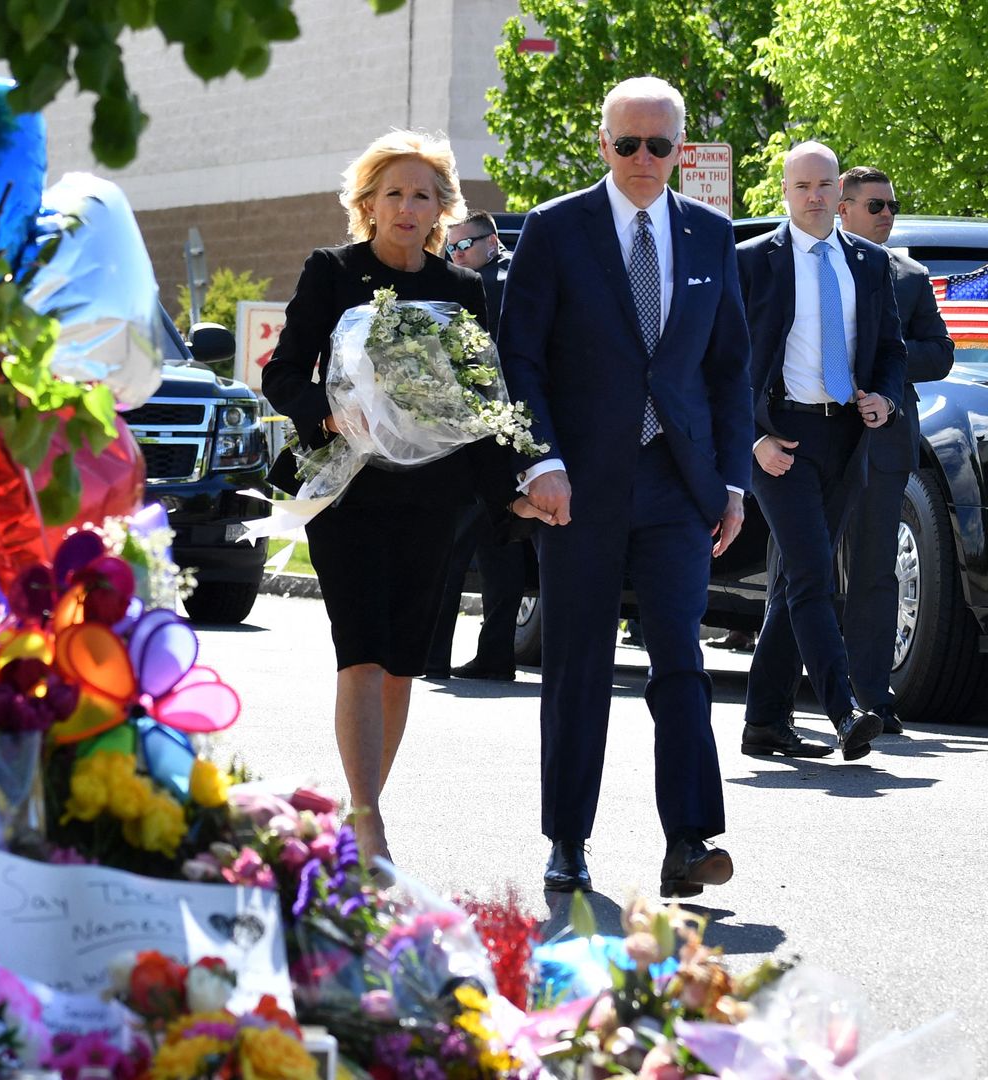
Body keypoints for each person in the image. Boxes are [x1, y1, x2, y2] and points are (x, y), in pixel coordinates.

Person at [497, 77, 752, 898]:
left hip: (680, 486)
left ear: (681, 147)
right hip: (579, 484)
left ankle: (690, 839)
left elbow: (730, 370)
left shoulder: (712, 236)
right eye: (627, 143)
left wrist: (733, 483)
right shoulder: (554, 228)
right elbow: (520, 358)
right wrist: (540, 464)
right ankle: (567, 839)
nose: (644, 159)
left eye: (660, 145)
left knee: (682, 656)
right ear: (602, 142)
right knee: (578, 663)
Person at [261, 131, 544, 865]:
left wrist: (517, 488)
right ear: (368, 203)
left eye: (423, 195)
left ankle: (360, 820)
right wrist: (324, 412)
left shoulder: (463, 289)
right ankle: (367, 817)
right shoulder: (332, 272)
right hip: (351, 489)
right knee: (359, 651)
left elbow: (484, 399)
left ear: (442, 208)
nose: (408, 207)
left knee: (401, 663)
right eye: (394, 193)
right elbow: (284, 372)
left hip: (433, 498)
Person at [742, 167, 953, 752]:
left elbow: (890, 347)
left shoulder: (867, 263)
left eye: (824, 185)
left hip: (848, 439)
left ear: (839, 194)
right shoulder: (753, 260)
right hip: (779, 440)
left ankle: (762, 721)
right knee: (812, 573)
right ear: (786, 192)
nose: (814, 195)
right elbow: (720, 363)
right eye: (802, 185)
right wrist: (750, 440)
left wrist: (885, 395)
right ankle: (844, 711)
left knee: (794, 583)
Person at [427, 211, 531, 682]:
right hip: (521, 436)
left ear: (491, 241)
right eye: (448, 250)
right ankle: (496, 654)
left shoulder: (483, 285)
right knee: (500, 549)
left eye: (461, 247)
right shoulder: (524, 277)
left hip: (475, 435)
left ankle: (432, 654)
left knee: (449, 549)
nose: (454, 257)